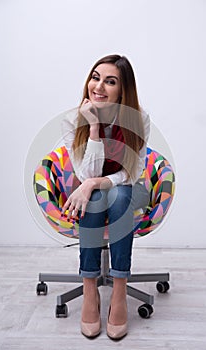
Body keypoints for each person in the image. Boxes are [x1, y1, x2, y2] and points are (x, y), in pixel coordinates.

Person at [61, 54, 150, 340]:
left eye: (110, 81)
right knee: (98, 199)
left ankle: (119, 292)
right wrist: (95, 129)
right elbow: (85, 173)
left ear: (123, 90)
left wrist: (93, 183)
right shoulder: (72, 120)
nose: (98, 86)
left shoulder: (140, 120)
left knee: (120, 196)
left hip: (132, 191)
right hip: (94, 195)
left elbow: (132, 174)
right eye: (95, 77)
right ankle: (90, 291)